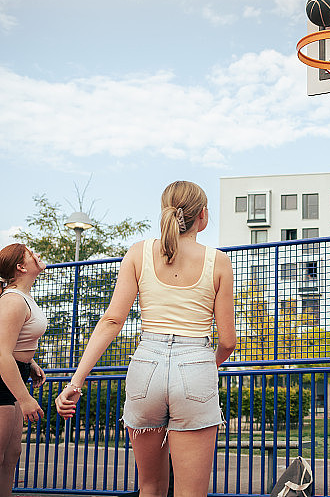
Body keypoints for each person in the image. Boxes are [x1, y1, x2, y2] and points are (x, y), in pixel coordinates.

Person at [56, 181, 236, 497]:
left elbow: (112, 320)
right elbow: (228, 341)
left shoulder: (139, 253)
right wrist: (209, 366)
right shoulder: (218, 261)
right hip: (196, 365)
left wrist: (75, 382)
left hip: (146, 367)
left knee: (150, 486)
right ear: (203, 216)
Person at [0, 244, 47, 497]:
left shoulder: (24, 297)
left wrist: (30, 364)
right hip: (3, 377)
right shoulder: (13, 300)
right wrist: (25, 398)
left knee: (11, 454)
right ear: (21, 266)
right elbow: (1, 353)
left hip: (15, 372)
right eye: (31, 253)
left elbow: (16, 341)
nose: (37, 255)